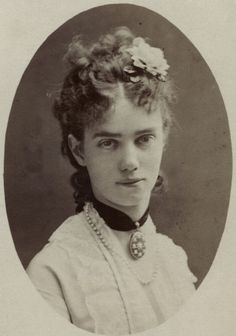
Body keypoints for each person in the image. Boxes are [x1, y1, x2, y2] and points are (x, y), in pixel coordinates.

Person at [27, 27, 197, 335]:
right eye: (108, 143)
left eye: (144, 139)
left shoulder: (174, 259)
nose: (130, 163)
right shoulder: (52, 273)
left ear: (164, 138)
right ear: (79, 150)